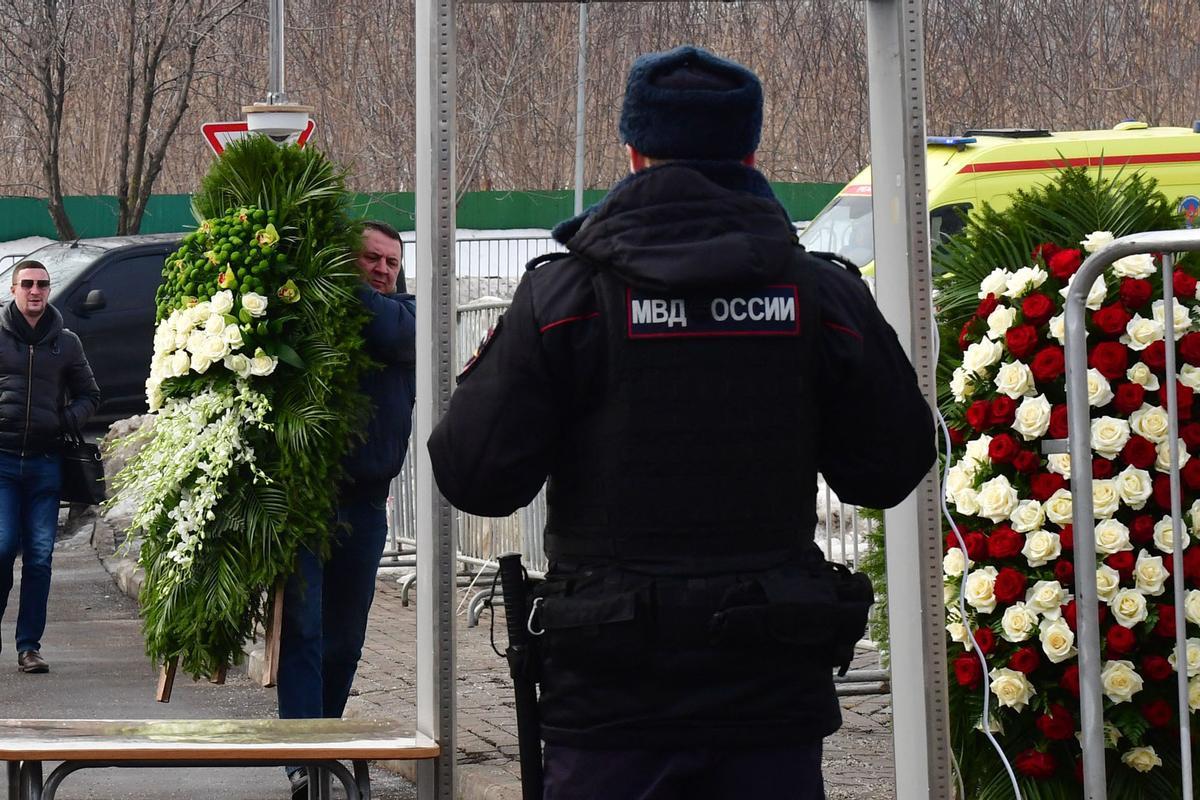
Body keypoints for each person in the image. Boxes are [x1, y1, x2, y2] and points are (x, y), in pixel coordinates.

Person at [428, 45, 935, 799]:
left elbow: (475, 477)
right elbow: (891, 465)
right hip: (768, 686)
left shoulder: (563, 298)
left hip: (609, 692)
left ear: (633, 153)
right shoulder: (821, 296)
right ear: (752, 150)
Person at [277, 221, 415, 799]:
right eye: (370, 258)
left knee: (346, 637)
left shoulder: (405, 316)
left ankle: (324, 739)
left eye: (391, 261)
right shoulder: (314, 312)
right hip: (306, 498)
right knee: (304, 629)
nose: (382, 269)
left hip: (364, 504)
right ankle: (304, 756)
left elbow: (386, 335)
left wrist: (333, 273)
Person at [0, 259, 100, 675]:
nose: (35, 291)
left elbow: (91, 396)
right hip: (2, 463)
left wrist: (65, 421)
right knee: (3, 547)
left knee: (40, 557)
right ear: (13, 289)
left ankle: (29, 647)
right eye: (28, 284)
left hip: (45, 464)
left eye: (42, 284)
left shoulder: (67, 343)